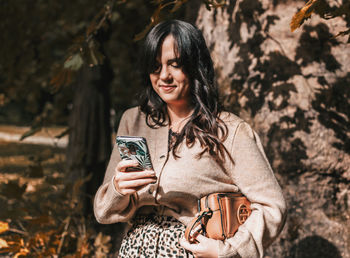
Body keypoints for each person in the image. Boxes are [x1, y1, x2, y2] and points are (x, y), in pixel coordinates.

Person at [94, 20, 286, 258]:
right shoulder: (133, 121)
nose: (164, 76)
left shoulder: (229, 131)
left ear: (195, 66)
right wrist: (118, 189)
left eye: (175, 65)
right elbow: (103, 211)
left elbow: (272, 207)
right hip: (134, 250)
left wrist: (228, 251)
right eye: (155, 67)